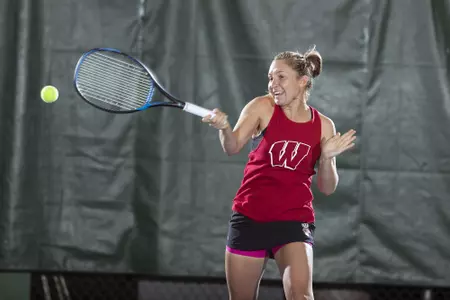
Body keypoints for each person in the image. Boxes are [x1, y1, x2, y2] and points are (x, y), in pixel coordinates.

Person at [202, 46, 356, 300]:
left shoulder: (324, 126)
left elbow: (327, 188)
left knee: (301, 296)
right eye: (270, 77)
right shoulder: (262, 107)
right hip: (250, 216)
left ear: (302, 81)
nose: (273, 84)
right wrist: (225, 128)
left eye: (281, 77)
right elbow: (232, 147)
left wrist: (327, 158)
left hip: (293, 221)